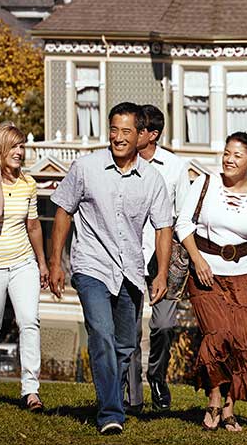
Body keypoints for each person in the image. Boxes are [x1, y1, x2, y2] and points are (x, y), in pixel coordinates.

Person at [48, 102, 173, 436]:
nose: (118, 137)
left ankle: (110, 396)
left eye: (126, 132)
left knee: (125, 346)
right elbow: (62, 211)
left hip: (131, 270)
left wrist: (160, 273)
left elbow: (163, 228)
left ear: (140, 136)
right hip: (91, 265)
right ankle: (110, 413)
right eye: (114, 130)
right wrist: (55, 263)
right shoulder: (86, 168)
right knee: (100, 334)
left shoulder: (152, 179)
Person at [175, 132, 247, 432]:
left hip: (243, 278)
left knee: (240, 344)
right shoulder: (204, 183)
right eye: (226, 152)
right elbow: (182, 224)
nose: (229, 159)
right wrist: (197, 261)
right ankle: (214, 398)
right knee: (219, 334)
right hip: (205, 275)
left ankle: (228, 408)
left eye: (237, 155)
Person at [0, 123, 48, 411]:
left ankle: (31, 391)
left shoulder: (28, 183)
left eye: (22, 146)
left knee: (29, 322)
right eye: (14, 146)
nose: (20, 151)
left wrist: (42, 263)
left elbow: (34, 225)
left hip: (22, 264)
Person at [125, 105, 190, 413]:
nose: (128, 134)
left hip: (164, 257)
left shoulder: (176, 167)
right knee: (130, 327)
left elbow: (185, 216)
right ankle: (132, 393)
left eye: (136, 129)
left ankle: (157, 377)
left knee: (163, 325)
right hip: (128, 254)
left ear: (151, 135)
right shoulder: (121, 164)